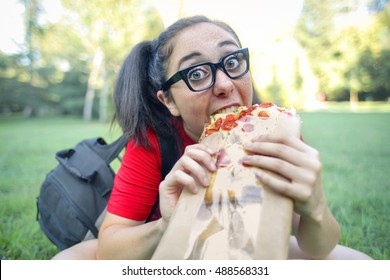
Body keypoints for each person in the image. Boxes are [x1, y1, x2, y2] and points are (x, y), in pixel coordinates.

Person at [52, 15, 371, 260]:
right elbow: (110, 248)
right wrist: (168, 222)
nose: (224, 84)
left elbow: (318, 247)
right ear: (169, 101)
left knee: (360, 264)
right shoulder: (152, 141)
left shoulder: (276, 131)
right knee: (67, 262)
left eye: (232, 62)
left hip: (249, 240)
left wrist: (315, 206)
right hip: (165, 249)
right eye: (197, 73)